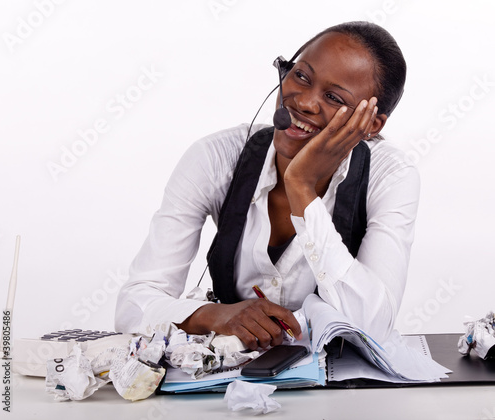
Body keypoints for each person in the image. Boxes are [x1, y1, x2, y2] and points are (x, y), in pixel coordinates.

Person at [115, 21, 419, 350]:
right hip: (230, 387)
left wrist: (301, 186)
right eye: (301, 76)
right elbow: (133, 306)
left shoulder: (390, 175)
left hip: (339, 393)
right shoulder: (215, 158)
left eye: (333, 97)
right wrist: (213, 315)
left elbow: (373, 326)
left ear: (371, 123)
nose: (304, 102)